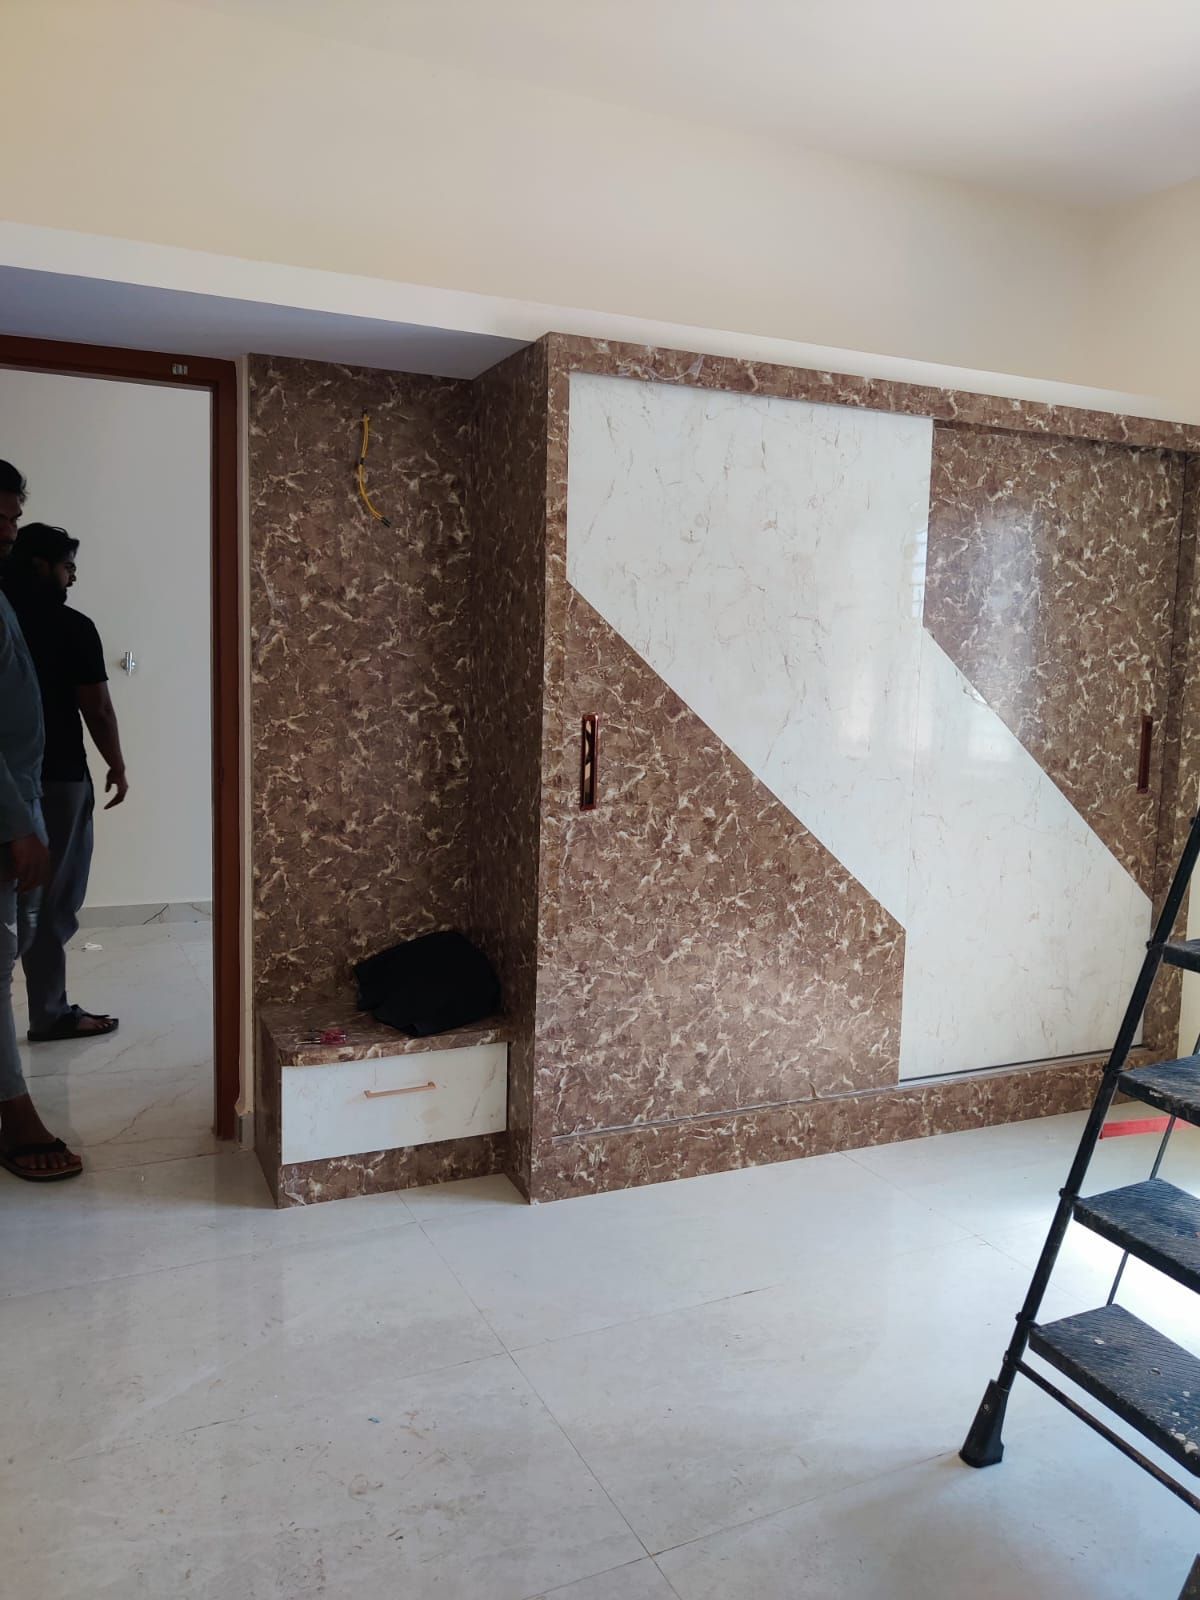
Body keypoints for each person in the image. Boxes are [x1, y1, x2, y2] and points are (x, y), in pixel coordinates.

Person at [4, 522, 128, 1042]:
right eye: (67, 566)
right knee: (52, 899)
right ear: (42, 566)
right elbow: (96, 708)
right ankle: (50, 1013)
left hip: (8, 780)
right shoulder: (71, 626)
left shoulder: (5, 616)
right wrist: (117, 764)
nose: (72, 577)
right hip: (58, 778)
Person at [0, 460, 81, 1179]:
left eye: (13, 518)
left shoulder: (5, 602)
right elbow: (99, 706)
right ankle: (17, 1113)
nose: (7, 531)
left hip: (27, 793)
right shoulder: (66, 622)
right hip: (20, 804)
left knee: (23, 933)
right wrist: (17, 824)